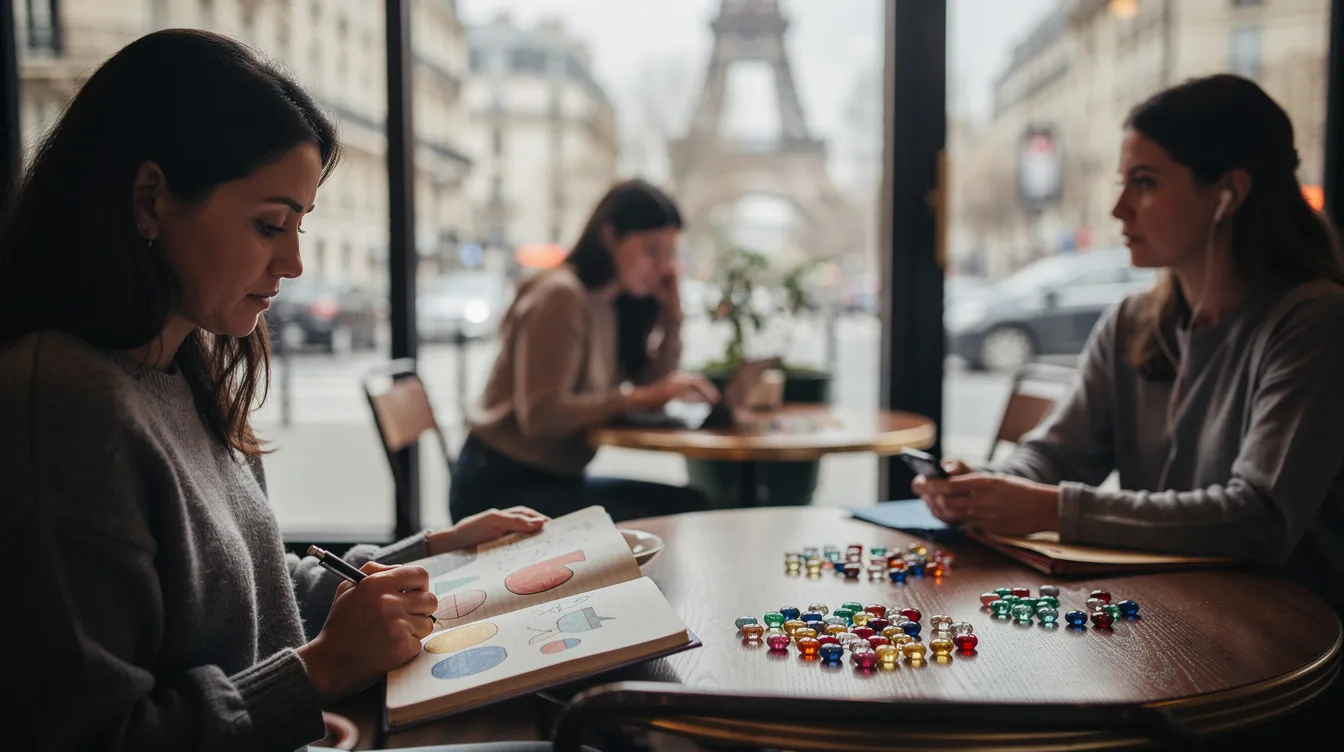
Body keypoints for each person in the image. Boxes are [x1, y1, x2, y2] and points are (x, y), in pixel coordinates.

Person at [0, 29, 558, 752]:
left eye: (300, 226)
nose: (293, 263)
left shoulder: (182, 361)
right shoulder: (65, 404)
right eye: (270, 225)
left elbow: (252, 597)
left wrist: (431, 555)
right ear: (150, 201)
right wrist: (319, 672)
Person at [915, 74, 1344, 615]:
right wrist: (983, 489)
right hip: (1164, 620)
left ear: (1229, 193)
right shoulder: (1132, 321)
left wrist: (1052, 509)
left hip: (1287, 643)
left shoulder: (1313, 318)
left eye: (1144, 182)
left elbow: (1258, 518)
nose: (1119, 208)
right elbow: (1056, 455)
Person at [450, 180, 720, 523]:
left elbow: (655, 386)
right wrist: (635, 398)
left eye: (670, 254)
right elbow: (542, 417)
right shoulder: (561, 296)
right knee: (675, 516)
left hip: (551, 479)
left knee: (689, 505)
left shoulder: (611, 304)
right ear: (609, 237)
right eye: (652, 250)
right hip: (499, 489)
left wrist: (671, 318)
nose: (664, 267)